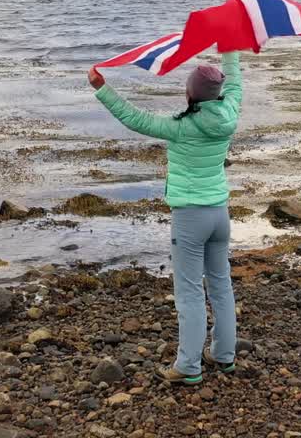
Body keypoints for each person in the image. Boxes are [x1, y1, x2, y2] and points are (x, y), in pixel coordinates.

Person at [87, 51, 242, 385]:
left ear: (190, 94)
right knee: (221, 285)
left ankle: (188, 366)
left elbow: (136, 119)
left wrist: (102, 88)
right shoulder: (229, 111)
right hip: (219, 213)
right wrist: (230, 51)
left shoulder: (180, 126)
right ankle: (224, 355)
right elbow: (236, 84)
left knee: (188, 292)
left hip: (190, 217)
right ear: (218, 93)